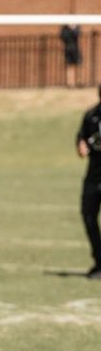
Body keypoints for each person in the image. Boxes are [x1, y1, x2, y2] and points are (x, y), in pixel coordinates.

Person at [76, 84, 101, 279]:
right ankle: (99, 261)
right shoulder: (91, 115)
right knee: (88, 216)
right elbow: (81, 137)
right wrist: (81, 146)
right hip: (93, 175)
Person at [61, 24, 82, 88]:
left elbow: (77, 34)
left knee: (79, 65)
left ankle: (79, 82)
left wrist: (73, 28)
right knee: (69, 66)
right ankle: (70, 83)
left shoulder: (77, 27)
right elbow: (62, 36)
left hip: (76, 49)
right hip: (68, 49)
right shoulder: (65, 28)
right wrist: (69, 29)